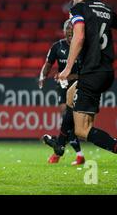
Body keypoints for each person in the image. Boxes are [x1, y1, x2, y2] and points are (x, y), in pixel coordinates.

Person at [45, 0, 117, 182]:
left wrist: (67, 69)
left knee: (83, 130)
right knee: (71, 95)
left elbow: (79, 36)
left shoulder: (78, 9)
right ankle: (60, 144)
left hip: (92, 72)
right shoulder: (106, 8)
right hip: (106, 70)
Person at [39, 19, 85, 165]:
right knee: (67, 119)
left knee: (70, 121)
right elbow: (48, 64)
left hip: (79, 86)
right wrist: (42, 76)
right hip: (63, 86)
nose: (71, 33)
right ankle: (75, 155)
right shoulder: (57, 46)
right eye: (68, 31)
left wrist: (71, 76)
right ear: (65, 32)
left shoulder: (82, 47)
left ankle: (59, 152)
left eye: (73, 31)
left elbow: (88, 71)